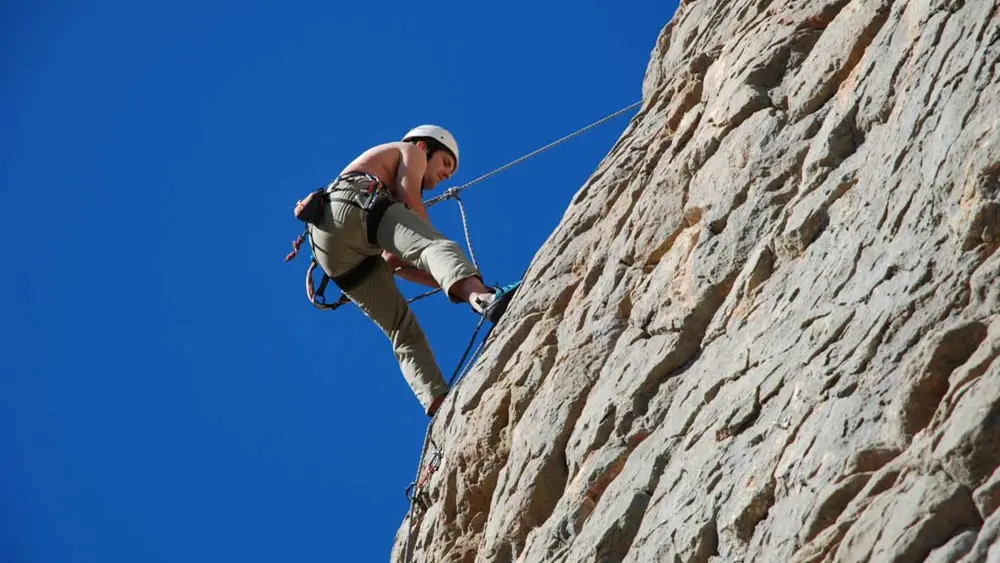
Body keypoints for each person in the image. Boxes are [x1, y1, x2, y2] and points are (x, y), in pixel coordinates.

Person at [306, 125, 516, 417]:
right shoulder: (410, 152)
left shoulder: (384, 182)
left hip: (330, 250)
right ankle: (485, 299)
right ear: (424, 146)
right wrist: (468, 281)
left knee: (401, 329)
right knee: (436, 244)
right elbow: (411, 203)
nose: (446, 175)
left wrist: (450, 281)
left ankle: (438, 403)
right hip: (354, 204)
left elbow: (395, 261)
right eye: (446, 163)